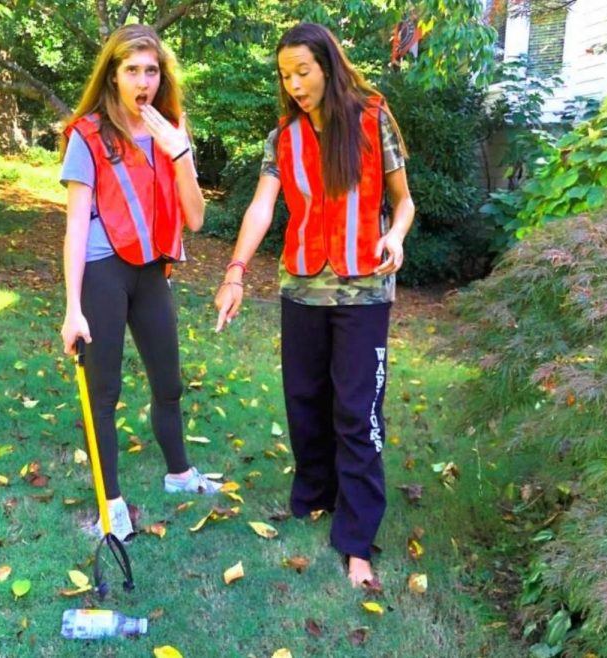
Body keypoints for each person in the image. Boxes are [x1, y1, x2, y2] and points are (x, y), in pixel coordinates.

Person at [215, 23, 415, 586]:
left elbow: (403, 203)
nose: (295, 84)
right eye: (285, 75)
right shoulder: (283, 136)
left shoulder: (374, 119)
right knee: (304, 400)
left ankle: (356, 539)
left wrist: (395, 236)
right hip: (300, 287)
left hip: (364, 289)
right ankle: (315, 495)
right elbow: (261, 207)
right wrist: (235, 273)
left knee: (357, 410)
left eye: (303, 71)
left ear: (329, 64)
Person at [60, 24, 221, 542]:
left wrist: (180, 154)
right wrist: (72, 309)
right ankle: (112, 505)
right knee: (103, 393)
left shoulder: (172, 130)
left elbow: (195, 218)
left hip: (153, 273)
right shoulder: (88, 133)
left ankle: (179, 474)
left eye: (151, 69)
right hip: (103, 273)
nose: (143, 79)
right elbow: (75, 225)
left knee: (168, 383)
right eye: (132, 69)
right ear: (113, 75)